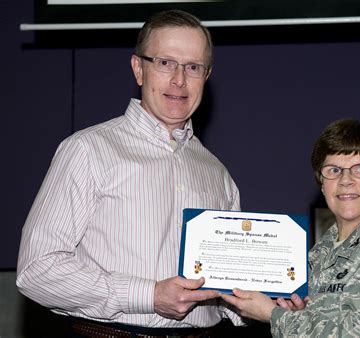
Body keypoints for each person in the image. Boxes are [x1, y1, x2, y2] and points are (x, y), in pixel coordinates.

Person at [17, 9, 244, 337]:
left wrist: (265, 304)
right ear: (139, 68)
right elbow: (36, 271)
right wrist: (148, 295)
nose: (179, 80)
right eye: (165, 63)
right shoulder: (88, 151)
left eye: (193, 67)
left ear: (206, 76)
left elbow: (225, 293)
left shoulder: (218, 174)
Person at [222, 119, 360, 337]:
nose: (345, 180)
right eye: (333, 170)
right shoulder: (323, 251)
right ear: (322, 184)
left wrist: (274, 315)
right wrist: (301, 315)